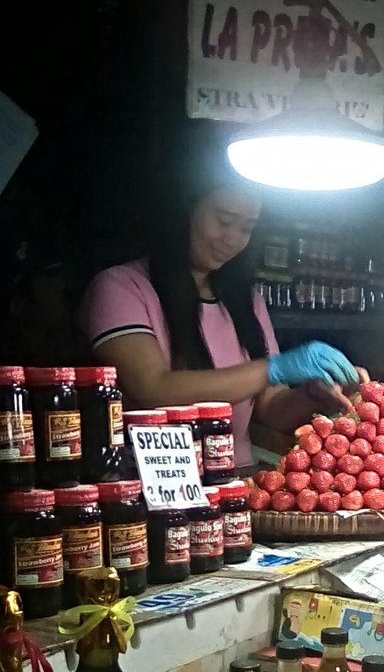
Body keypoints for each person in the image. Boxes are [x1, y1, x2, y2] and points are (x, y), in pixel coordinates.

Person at [80, 154, 364, 469]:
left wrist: (315, 395)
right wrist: (272, 368)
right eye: (224, 220)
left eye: (246, 228)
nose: (232, 239)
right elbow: (151, 389)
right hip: (150, 488)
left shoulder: (247, 301)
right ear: (186, 210)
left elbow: (271, 408)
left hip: (236, 484)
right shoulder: (120, 288)